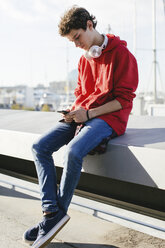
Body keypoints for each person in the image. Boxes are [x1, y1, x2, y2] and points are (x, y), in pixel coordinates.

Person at [23, 5, 138, 248]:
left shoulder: (122, 54)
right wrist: (73, 111)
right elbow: (81, 93)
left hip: (109, 118)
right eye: (71, 42)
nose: (77, 45)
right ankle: (50, 212)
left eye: (77, 38)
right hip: (84, 114)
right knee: (39, 146)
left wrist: (90, 113)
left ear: (89, 25)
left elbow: (124, 100)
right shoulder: (85, 60)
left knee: (73, 152)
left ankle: (53, 219)